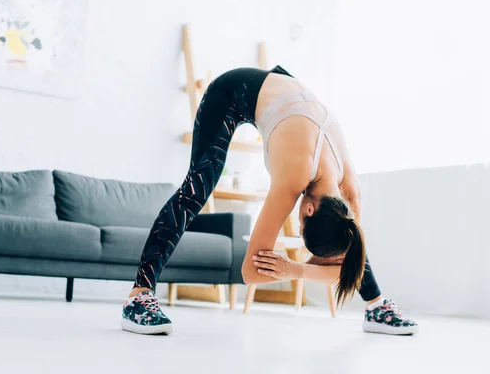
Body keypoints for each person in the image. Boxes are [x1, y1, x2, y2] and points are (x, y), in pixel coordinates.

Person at [121, 65, 418, 336]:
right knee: (196, 189)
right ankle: (139, 297)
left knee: (349, 235)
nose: (297, 218)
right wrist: (301, 269)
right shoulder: (295, 175)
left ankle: (376, 306)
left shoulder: (349, 195)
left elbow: (352, 262)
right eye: (301, 226)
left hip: (289, 96)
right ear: (310, 210)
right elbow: (249, 272)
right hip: (234, 91)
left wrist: (298, 269)